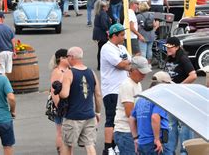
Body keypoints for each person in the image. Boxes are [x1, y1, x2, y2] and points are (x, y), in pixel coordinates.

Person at [59, 47, 102, 155]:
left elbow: (65, 94)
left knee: (67, 144)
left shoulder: (69, 73)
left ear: (72, 57)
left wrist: (58, 90)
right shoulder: (91, 72)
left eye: (67, 56)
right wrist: (98, 112)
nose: (67, 59)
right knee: (89, 144)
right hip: (89, 115)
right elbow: (98, 94)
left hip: (73, 116)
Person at [100, 23, 131, 155]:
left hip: (123, 89)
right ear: (114, 36)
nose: (124, 37)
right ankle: (108, 147)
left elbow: (130, 62)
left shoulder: (122, 47)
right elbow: (120, 64)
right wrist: (127, 64)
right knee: (111, 118)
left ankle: (116, 145)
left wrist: (128, 63)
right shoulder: (107, 48)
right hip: (112, 90)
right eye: (122, 35)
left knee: (120, 119)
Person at [163, 36, 197, 154]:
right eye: (166, 47)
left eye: (170, 47)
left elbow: (193, 75)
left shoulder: (183, 58)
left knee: (184, 125)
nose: (168, 49)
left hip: (183, 96)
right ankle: (169, 151)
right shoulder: (168, 59)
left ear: (177, 47)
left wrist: (179, 86)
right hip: (171, 97)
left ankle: (185, 151)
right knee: (171, 124)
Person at [113, 56, 152, 155]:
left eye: (145, 72)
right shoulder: (127, 85)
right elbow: (129, 113)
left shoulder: (137, 83)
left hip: (132, 131)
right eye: (141, 72)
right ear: (133, 70)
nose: (144, 75)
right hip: (125, 131)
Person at [129, 71, 172, 155]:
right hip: (154, 144)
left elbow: (131, 119)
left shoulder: (141, 99)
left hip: (142, 143)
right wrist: (156, 139)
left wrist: (135, 138)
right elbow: (155, 117)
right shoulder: (159, 99)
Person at [49, 49, 70, 154]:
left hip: (69, 104)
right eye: (68, 57)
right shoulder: (57, 72)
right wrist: (59, 105)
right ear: (61, 58)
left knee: (68, 132)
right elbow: (54, 91)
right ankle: (61, 152)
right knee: (60, 131)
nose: (70, 59)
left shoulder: (68, 70)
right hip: (61, 105)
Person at [92, 0, 111, 70]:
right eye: (107, 6)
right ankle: (101, 65)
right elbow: (103, 24)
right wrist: (107, 30)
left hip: (98, 33)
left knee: (100, 49)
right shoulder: (103, 13)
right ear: (103, 7)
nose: (108, 8)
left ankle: (100, 65)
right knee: (102, 50)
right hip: (102, 34)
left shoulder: (98, 13)